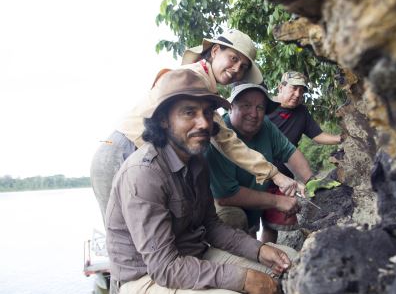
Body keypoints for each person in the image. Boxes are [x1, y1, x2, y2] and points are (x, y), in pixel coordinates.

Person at [106, 68, 296, 294]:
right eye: (189, 112)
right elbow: (164, 267)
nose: (204, 123)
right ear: (164, 120)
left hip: (193, 254)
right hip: (146, 275)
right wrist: (241, 278)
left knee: (290, 263)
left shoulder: (197, 162)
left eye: (207, 113)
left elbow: (212, 226)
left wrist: (259, 249)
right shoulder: (143, 174)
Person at [90, 29, 302, 223]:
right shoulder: (193, 79)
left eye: (244, 66)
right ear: (216, 51)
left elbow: (223, 140)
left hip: (141, 156)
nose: (237, 68)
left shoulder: (204, 85)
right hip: (121, 151)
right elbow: (227, 141)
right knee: (123, 232)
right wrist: (275, 174)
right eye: (233, 58)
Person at [206, 83, 314, 244]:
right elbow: (225, 196)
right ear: (230, 107)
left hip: (255, 200)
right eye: (246, 105)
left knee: (257, 234)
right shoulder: (216, 137)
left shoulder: (265, 126)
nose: (254, 113)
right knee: (235, 218)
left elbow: (289, 152)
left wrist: (312, 182)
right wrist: (278, 201)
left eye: (260, 107)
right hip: (223, 207)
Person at [268, 71, 342, 179]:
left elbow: (318, 136)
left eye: (301, 90)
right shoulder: (264, 108)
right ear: (280, 88)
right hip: (258, 173)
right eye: (293, 88)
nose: (298, 94)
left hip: (285, 177)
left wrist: (343, 138)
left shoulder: (301, 112)